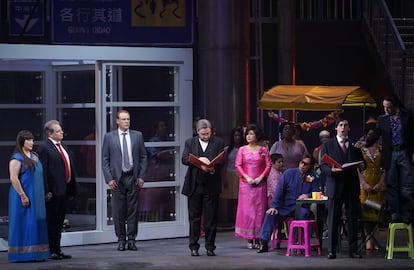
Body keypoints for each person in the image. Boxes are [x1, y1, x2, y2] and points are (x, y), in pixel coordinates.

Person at [356, 96, 414, 224]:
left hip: (404, 151)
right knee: (391, 184)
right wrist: (365, 143)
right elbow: (376, 134)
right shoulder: (382, 119)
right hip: (391, 153)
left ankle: (407, 214)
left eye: (388, 107)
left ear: (395, 106)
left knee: (407, 185)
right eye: (384, 107)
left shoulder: (407, 116)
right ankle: (395, 213)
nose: (386, 109)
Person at [102, 110, 147, 251]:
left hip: (132, 177)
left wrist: (141, 176)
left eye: (128, 119)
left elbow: (143, 157)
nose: (126, 121)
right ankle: (121, 240)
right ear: (117, 121)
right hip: (117, 179)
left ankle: (132, 240)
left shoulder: (137, 136)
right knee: (118, 211)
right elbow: (105, 160)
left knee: (133, 211)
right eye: (123, 119)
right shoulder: (109, 137)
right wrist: (109, 178)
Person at [320, 117, 365, 259]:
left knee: (352, 219)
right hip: (335, 185)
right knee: (333, 219)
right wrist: (331, 171)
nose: (343, 127)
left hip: (351, 186)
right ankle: (332, 250)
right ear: (336, 128)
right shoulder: (328, 145)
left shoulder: (353, 145)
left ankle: (353, 250)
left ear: (349, 128)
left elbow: (362, 163)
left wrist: (363, 166)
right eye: (341, 125)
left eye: (346, 125)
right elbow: (323, 165)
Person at [257, 154, 319, 253]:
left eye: (306, 164)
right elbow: (279, 191)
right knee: (270, 213)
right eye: (302, 163)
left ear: (310, 166)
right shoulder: (289, 173)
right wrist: (274, 206)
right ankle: (264, 242)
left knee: (305, 214)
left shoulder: (312, 176)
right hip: (285, 206)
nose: (303, 166)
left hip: (299, 207)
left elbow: (317, 191)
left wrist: (308, 195)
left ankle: (301, 242)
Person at [181, 119, 225, 257]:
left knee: (210, 218)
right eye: (203, 134)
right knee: (194, 218)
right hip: (195, 185)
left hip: (211, 185)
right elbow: (184, 159)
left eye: (207, 133)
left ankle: (210, 246)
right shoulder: (190, 142)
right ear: (197, 132)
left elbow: (222, 160)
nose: (206, 136)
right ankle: (193, 246)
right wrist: (200, 162)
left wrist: (211, 167)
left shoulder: (218, 142)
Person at [37, 120, 78, 260]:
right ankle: (51, 250)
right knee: (52, 221)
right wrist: (46, 190)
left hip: (64, 190)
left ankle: (58, 249)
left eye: (61, 130)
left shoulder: (63, 145)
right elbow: (44, 171)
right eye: (58, 131)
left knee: (60, 222)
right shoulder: (44, 147)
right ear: (50, 133)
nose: (62, 133)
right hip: (53, 192)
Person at [7, 130, 49, 262]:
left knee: (36, 224)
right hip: (23, 195)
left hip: (36, 196)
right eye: (28, 140)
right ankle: (21, 254)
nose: (31, 142)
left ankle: (38, 253)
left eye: (32, 140)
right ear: (22, 142)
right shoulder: (17, 158)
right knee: (23, 224)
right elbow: (14, 178)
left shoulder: (34, 156)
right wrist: (23, 195)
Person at [235, 124, 271, 249]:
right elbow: (238, 165)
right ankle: (249, 238)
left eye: (251, 134)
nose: (249, 136)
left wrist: (261, 177)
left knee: (260, 211)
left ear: (257, 136)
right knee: (247, 211)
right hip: (246, 184)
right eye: (247, 134)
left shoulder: (263, 150)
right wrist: (247, 178)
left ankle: (259, 237)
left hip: (260, 183)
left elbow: (268, 165)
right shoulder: (242, 150)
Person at [358, 123, 386, 250]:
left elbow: (385, 168)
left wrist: (381, 182)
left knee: (376, 211)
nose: (372, 137)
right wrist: (363, 183)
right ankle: (368, 238)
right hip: (365, 183)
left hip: (378, 184)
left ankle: (376, 239)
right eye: (369, 135)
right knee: (366, 212)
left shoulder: (382, 149)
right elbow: (357, 168)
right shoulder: (361, 149)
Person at [219, 127, 246, 227]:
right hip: (230, 174)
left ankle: (240, 220)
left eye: (238, 135)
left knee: (239, 200)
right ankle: (232, 220)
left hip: (240, 175)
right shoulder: (228, 149)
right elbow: (224, 164)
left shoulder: (244, 149)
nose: (237, 138)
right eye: (235, 135)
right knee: (230, 200)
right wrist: (224, 177)